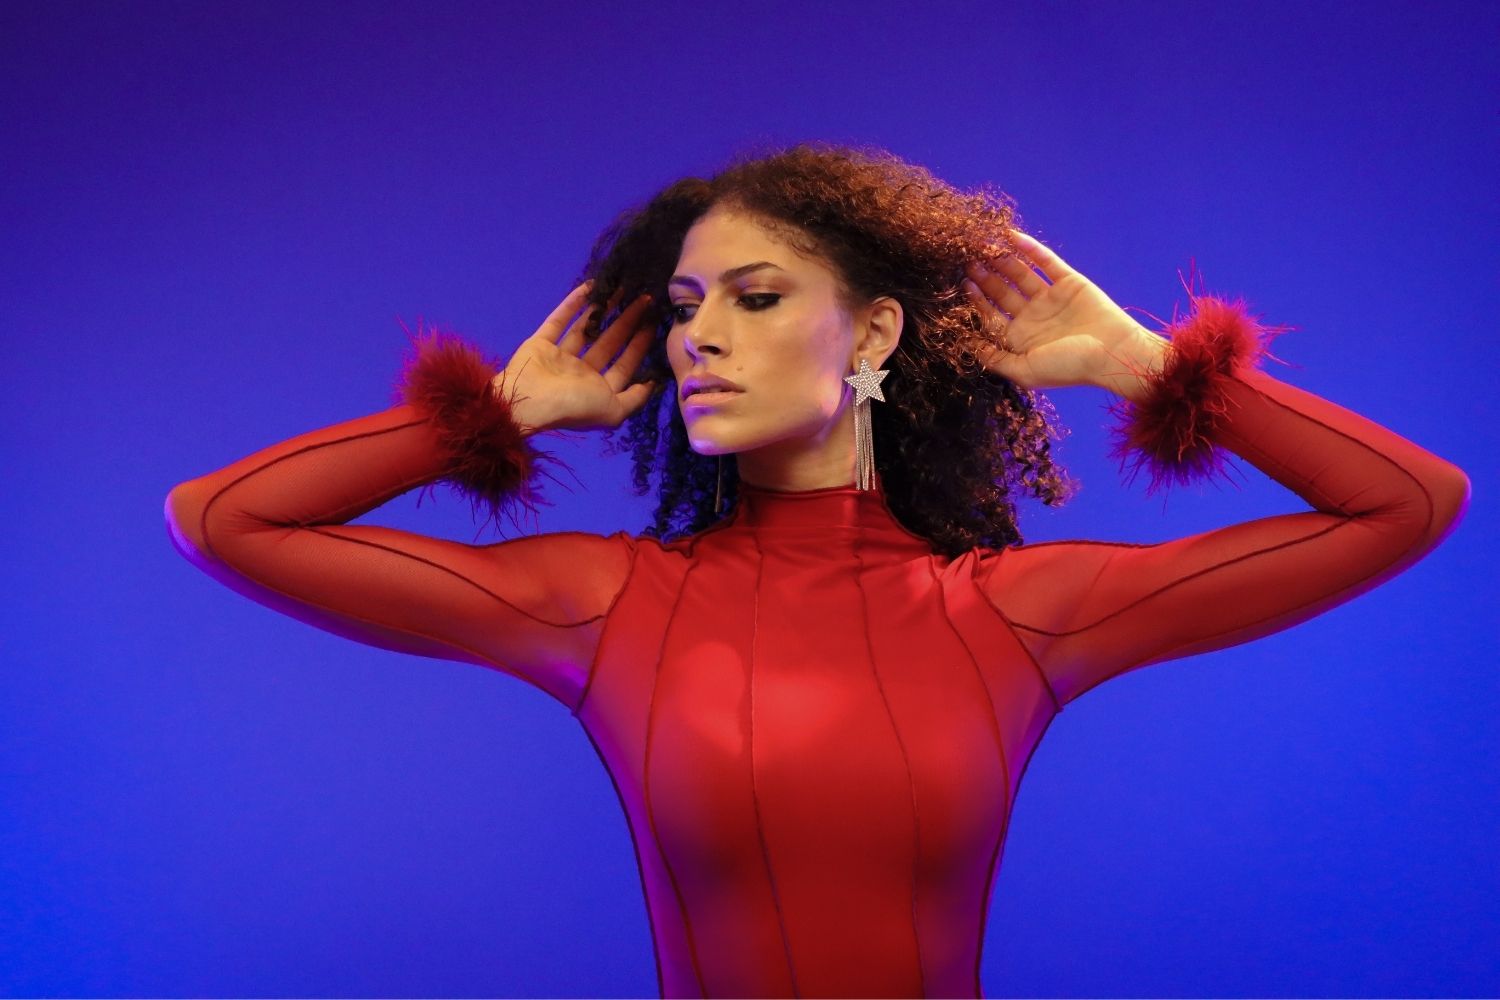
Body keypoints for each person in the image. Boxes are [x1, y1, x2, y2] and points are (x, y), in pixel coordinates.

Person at [164, 142, 1470, 999]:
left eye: (756, 297)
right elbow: (226, 520)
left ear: (876, 333)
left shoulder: (1014, 615)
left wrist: (1142, 365)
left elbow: (1409, 505)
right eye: (683, 309)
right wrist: (494, 407)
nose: (701, 342)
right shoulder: (613, 607)